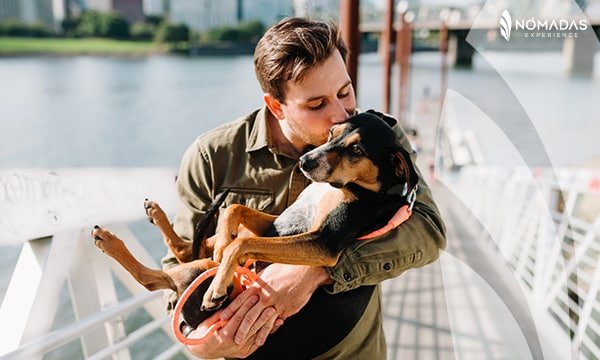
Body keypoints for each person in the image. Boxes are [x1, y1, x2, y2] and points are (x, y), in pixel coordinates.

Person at [162, 17, 446, 359]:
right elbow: (175, 286)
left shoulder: (378, 139)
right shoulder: (211, 157)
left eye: (345, 92)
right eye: (317, 104)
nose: (341, 115)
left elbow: (429, 232)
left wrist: (317, 269)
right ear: (276, 106)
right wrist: (205, 345)